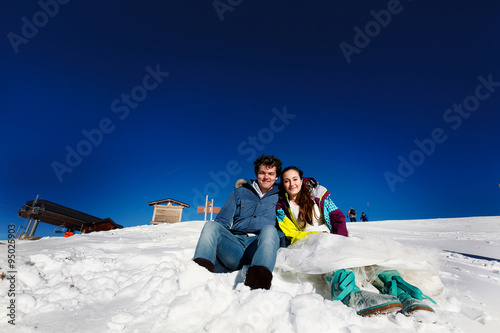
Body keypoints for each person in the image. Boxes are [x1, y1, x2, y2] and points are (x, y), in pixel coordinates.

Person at [276, 166, 437, 320]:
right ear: (282, 184)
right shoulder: (282, 206)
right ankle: (351, 296)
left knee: (363, 253)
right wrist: (317, 240)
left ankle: (401, 293)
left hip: (332, 236)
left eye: (295, 179)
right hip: (307, 241)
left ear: (301, 179)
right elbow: (289, 231)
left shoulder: (316, 194)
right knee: (330, 258)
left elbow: (337, 216)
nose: (292, 184)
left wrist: (339, 239)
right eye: (287, 181)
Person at [193, 154, 284, 290]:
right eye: (262, 173)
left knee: (270, 230)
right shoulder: (240, 192)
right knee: (211, 225)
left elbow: (296, 184)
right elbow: (222, 220)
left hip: (260, 246)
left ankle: (258, 285)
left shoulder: (281, 195)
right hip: (235, 247)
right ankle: (196, 277)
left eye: (271, 173)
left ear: (276, 177)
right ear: (256, 173)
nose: (266, 177)